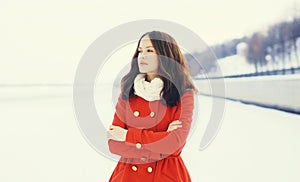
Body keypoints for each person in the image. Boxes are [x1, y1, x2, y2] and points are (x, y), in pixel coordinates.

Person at [107, 31, 198, 182]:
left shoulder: (183, 94)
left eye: (149, 50)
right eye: (140, 51)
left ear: (165, 55)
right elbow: (114, 145)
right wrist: (161, 142)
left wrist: (127, 136)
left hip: (167, 176)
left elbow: (174, 144)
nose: (142, 56)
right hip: (127, 176)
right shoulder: (128, 92)